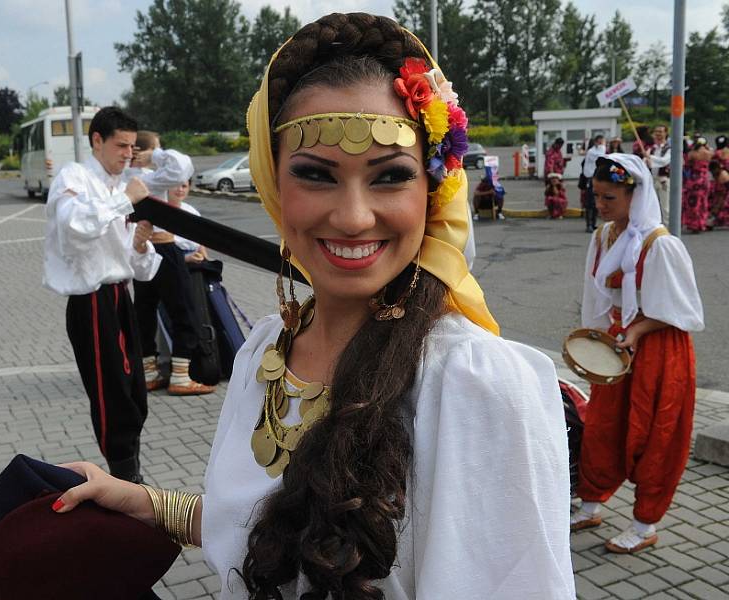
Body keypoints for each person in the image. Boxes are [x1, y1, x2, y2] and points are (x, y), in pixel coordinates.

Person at [51, 13, 575, 599]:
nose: (353, 217)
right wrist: (144, 503)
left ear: (432, 190)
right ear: (273, 184)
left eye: (390, 176)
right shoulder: (263, 350)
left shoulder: (477, 386)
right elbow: (268, 527)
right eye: (315, 175)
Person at [572, 154, 704, 554]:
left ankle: (645, 524)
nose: (601, 205)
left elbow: (683, 312)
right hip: (620, 341)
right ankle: (591, 504)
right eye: (596, 196)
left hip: (660, 348)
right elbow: (596, 294)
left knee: (656, 434)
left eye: (609, 197)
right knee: (602, 424)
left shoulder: (660, 244)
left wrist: (638, 329)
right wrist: (593, 337)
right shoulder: (603, 237)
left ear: (636, 194)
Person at [43, 106, 162, 483]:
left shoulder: (118, 186)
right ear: (97, 141)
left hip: (120, 295)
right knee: (112, 396)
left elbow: (135, 264)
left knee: (135, 393)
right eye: (120, 145)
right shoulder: (74, 176)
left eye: (132, 146)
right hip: (91, 300)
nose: (128, 153)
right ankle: (126, 478)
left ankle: (131, 474)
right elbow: (73, 226)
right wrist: (125, 200)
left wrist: (141, 245)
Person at [126, 132, 215, 396]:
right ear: (144, 152)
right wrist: (154, 155)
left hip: (138, 248)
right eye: (158, 148)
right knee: (183, 310)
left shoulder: (123, 178)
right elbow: (180, 167)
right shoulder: (149, 178)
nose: (162, 153)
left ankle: (150, 372)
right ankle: (180, 375)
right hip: (163, 248)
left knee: (144, 311)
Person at [682, 136, 713, 234]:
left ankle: (693, 224)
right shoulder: (708, 152)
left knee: (693, 203)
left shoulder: (692, 153)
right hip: (704, 179)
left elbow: (686, 163)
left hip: (694, 180)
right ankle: (701, 223)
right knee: (703, 203)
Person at [646, 125, 671, 225]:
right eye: (656, 132)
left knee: (665, 207)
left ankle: (667, 229)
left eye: (660, 131)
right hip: (652, 180)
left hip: (663, 180)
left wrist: (650, 157)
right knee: (652, 206)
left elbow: (664, 161)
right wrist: (647, 160)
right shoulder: (651, 149)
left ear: (665, 133)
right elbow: (645, 162)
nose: (658, 134)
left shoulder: (669, 148)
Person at [581, 135, 606, 232]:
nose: (601, 145)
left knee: (596, 202)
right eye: (599, 142)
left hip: (598, 178)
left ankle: (593, 223)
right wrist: (602, 146)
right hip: (590, 178)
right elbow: (600, 156)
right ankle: (589, 224)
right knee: (590, 202)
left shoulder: (598, 151)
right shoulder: (592, 152)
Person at [708, 159, 729, 228]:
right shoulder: (717, 174)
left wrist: (717, 207)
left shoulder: (723, 176)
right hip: (721, 194)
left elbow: (722, 195)